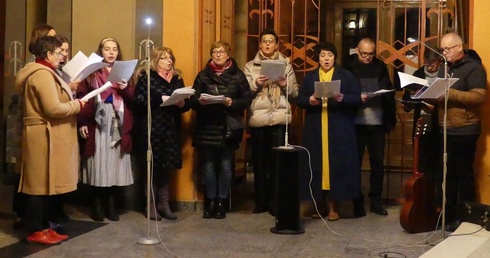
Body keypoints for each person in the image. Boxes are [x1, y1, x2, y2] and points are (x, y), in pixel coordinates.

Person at [15, 35, 87, 245]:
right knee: (38, 185)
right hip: (42, 136)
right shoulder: (42, 74)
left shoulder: (46, 72)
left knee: (46, 184)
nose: (62, 56)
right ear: (48, 54)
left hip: (45, 134)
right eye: (59, 53)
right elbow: (52, 108)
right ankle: (36, 229)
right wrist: (78, 105)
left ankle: (44, 226)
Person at [298, 42, 362, 221]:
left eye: (330, 55)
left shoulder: (346, 76)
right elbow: (300, 99)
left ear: (335, 57)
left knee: (336, 165)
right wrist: (309, 100)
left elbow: (356, 98)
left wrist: (342, 98)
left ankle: (334, 206)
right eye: (323, 56)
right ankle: (319, 205)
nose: (326, 59)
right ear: (318, 58)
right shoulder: (310, 77)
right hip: (316, 127)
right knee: (317, 164)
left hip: (338, 127)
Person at [190, 41, 252, 219]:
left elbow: (247, 99)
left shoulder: (238, 75)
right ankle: (210, 201)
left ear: (228, 55)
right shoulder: (203, 75)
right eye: (215, 52)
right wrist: (199, 101)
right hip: (207, 125)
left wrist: (232, 102)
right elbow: (192, 98)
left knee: (225, 165)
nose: (218, 55)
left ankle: (222, 201)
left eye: (222, 52)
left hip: (228, 125)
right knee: (208, 166)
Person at [77, 37, 135, 222]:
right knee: (98, 163)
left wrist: (126, 89)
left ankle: (111, 204)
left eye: (114, 49)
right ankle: (97, 205)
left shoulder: (125, 73)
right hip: (97, 121)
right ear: (100, 51)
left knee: (114, 164)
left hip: (117, 121)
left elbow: (134, 100)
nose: (111, 52)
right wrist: (82, 123)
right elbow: (82, 98)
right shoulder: (91, 73)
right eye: (107, 49)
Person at [243, 28, 299, 215]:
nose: (267, 44)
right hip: (259, 119)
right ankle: (260, 202)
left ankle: (276, 202)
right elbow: (244, 93)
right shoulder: (250, 66)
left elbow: (295, 94)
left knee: (277, 164)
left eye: (271, 41)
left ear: (276, 45)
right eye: (264, 41)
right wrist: (256, 84)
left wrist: (285, 85)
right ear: (260, 45)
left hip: (279, 119)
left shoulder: (286, 64)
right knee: (259, 163)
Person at [436, 32, 486, 231]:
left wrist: (450, 92)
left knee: (463, 174)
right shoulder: (443, 68)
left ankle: (466, 218)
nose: (444, 53)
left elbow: (478, 98)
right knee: (446, 175)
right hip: (445, 128)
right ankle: (447, 215)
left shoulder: (474, 68)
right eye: (442, 50)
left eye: (447, 49)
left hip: (465, 129)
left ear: (459, 47)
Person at [133, 47, 190, 221]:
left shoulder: (177, 78)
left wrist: (182, 104)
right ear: (156, 60)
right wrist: (160, 99)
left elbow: (186, 103)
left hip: (170, 128)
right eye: (164, 58)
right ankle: (150, 205)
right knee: (152, 168)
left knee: (166, 167)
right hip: (152, 128)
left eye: (170, 58)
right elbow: (139, 101)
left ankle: (163, 204)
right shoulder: (146, 77)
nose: (169, 61)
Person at [344, 37, 397, 216]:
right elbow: (343, 92)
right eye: (364, 53)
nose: (368, 57)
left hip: (377, 122)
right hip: (355, 123)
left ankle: (376, 200)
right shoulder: (348, 68)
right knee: (354, 163)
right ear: (357, 51)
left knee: (377, 164)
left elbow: (387, 90)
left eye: (371, 54)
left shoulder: (380, 67)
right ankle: (356, 200)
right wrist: (357, 97)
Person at [12, 24, 57, 230]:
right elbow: (51, 106)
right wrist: (74, 104)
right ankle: (31, 222)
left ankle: (40, 221)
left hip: (38, 126)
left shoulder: (43, 69)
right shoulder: (39, 70)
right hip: (36, 126)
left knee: (35, 177)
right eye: (53, 40)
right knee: (33, 178)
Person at [401, 50, 441, 179]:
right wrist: (412, 96)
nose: (429, 68)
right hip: (422, 119)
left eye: (433, 65)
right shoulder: (418, 74)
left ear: (439, 62)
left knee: (438, 159)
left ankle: (436, 194)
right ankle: (422, 192)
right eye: (427, 64)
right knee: (421, 157)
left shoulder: (444, 74)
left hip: (439, 121)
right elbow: (407, 98)